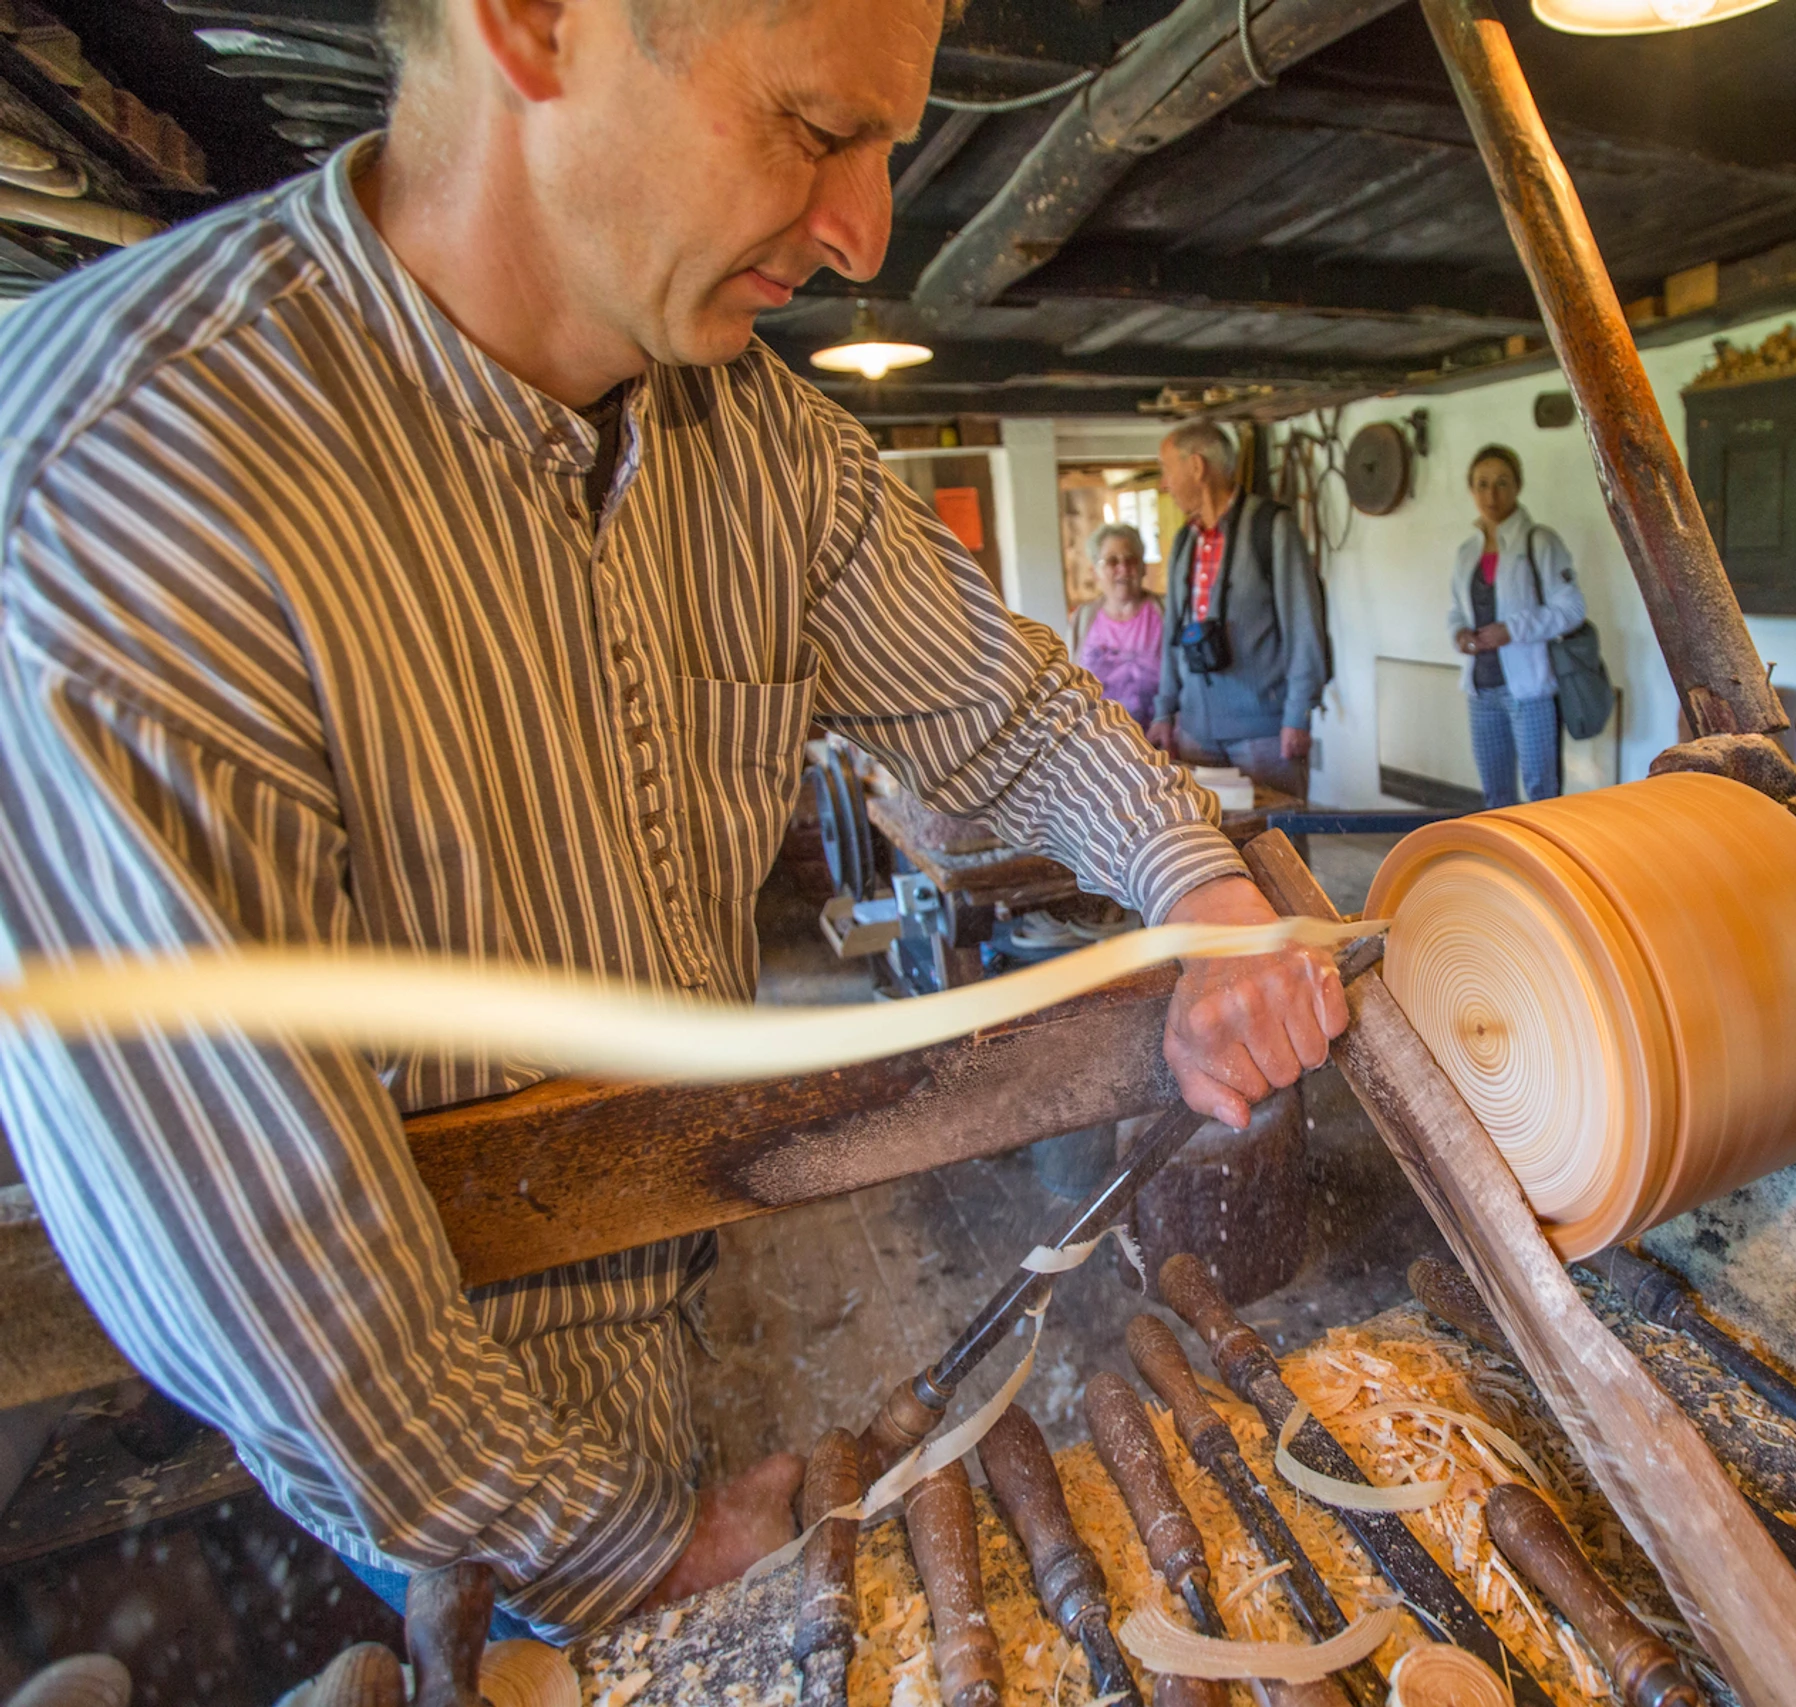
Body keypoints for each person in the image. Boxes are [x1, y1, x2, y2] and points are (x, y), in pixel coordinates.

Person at [0, 0, 1346, 1645]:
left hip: (671, 1347)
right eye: (811, 126)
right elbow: (241, 1225)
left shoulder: (754, 436)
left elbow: (998, 709)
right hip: (453, 1509)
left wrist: (1198, 890)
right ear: (537, 26)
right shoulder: (128, 476)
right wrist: (607, 1544)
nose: (864, 234)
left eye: (890, 149)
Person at [1146, 422, 1325, 800]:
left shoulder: (1272, 527)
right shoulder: (1184, 541)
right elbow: (1172, 639)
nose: (1165, 483)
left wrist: (1297, 717)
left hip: (1265, 734)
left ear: (1196, 466)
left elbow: (1304, 629)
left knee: (1277, 846)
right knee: (1211, 850)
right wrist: (1164, 711)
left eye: (1167, 468)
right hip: (1195, 732)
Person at [1449, 444, 1584, 807]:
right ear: (1471, 489)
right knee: (1496, 796)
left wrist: (1514, 629)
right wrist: (1459, 633)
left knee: (1543, 795)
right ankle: (1503, 865)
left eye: (1502, 483)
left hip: (1529, 690)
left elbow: (1572, 609)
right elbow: (1455, 610)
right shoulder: (1467, 552)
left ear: (1518, 486)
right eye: (1482, 484)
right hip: (1481, 689)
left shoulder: (1539, 541)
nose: (1491, 495)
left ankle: (1545, 865)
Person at [1069, 521, 1163, 724]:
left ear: (1143, 567)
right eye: (1112, 561)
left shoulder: (1165, 612)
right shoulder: (1083, 619)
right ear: (1095, 572)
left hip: (1159, 741)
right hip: (1099, 742)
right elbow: (1072, 684)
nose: (1123, 569)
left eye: (1131, 560)